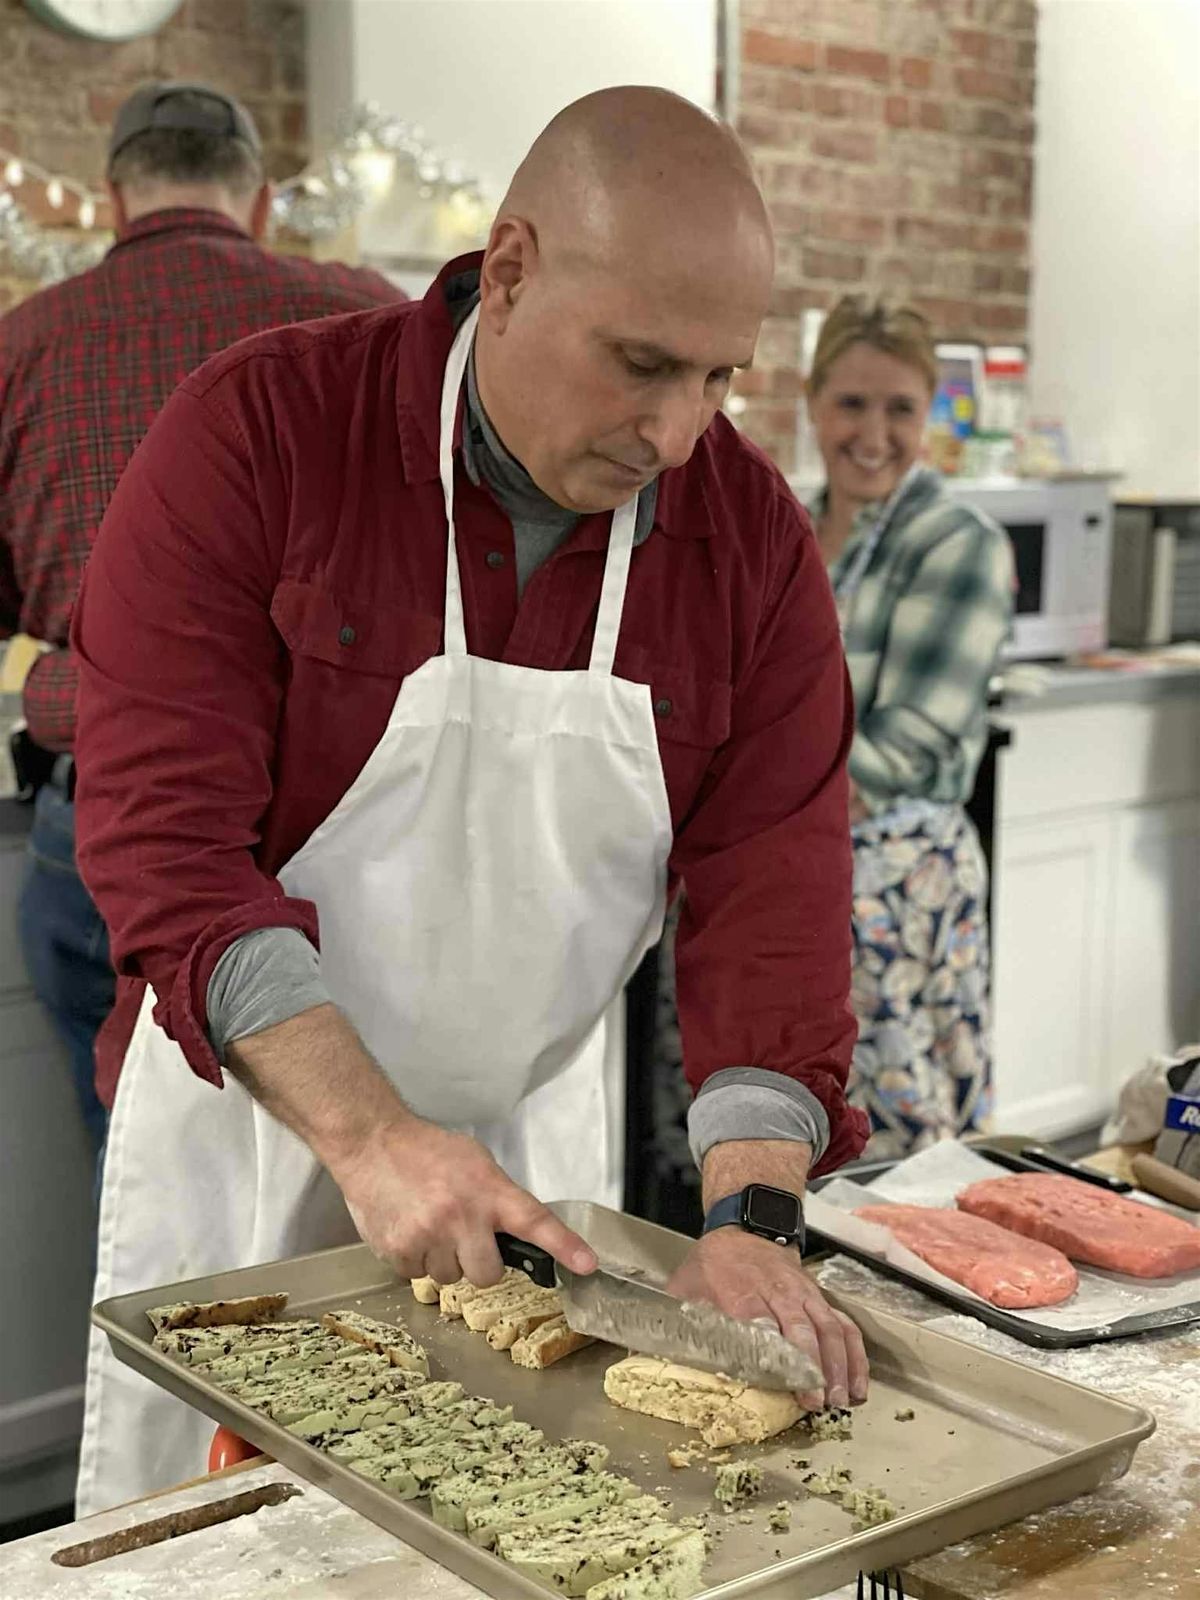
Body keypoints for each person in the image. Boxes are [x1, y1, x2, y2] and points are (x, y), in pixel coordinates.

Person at [71, 87, 872, 1514]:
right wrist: (372, 1137)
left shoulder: (749, 545)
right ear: (507, 270)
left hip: (524, 1157)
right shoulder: (262, 436)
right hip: (245, 1132)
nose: (678, 436)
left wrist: (752, 1215)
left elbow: (774, 900)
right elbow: (168, 847)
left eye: (720, 381)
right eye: (641, 366)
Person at [0, 81, 402, 1157]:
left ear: (113, 198)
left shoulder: (25, 345)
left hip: (102, 823)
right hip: (337, 826)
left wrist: (55, 681)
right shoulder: (363, 317)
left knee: (148, 1197)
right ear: (262, 200)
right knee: (367, 1195)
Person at [804, 295, 1014, 1159]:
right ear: (814, 404)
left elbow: (901, 750)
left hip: (892, 886)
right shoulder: (789, 524)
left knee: (899, 1147)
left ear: (929, 415)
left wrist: (752, 813)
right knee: (772, 1128)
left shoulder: (957, 541)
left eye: (901, 408)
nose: (874, 433)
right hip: (794, 864)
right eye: (852, 403)